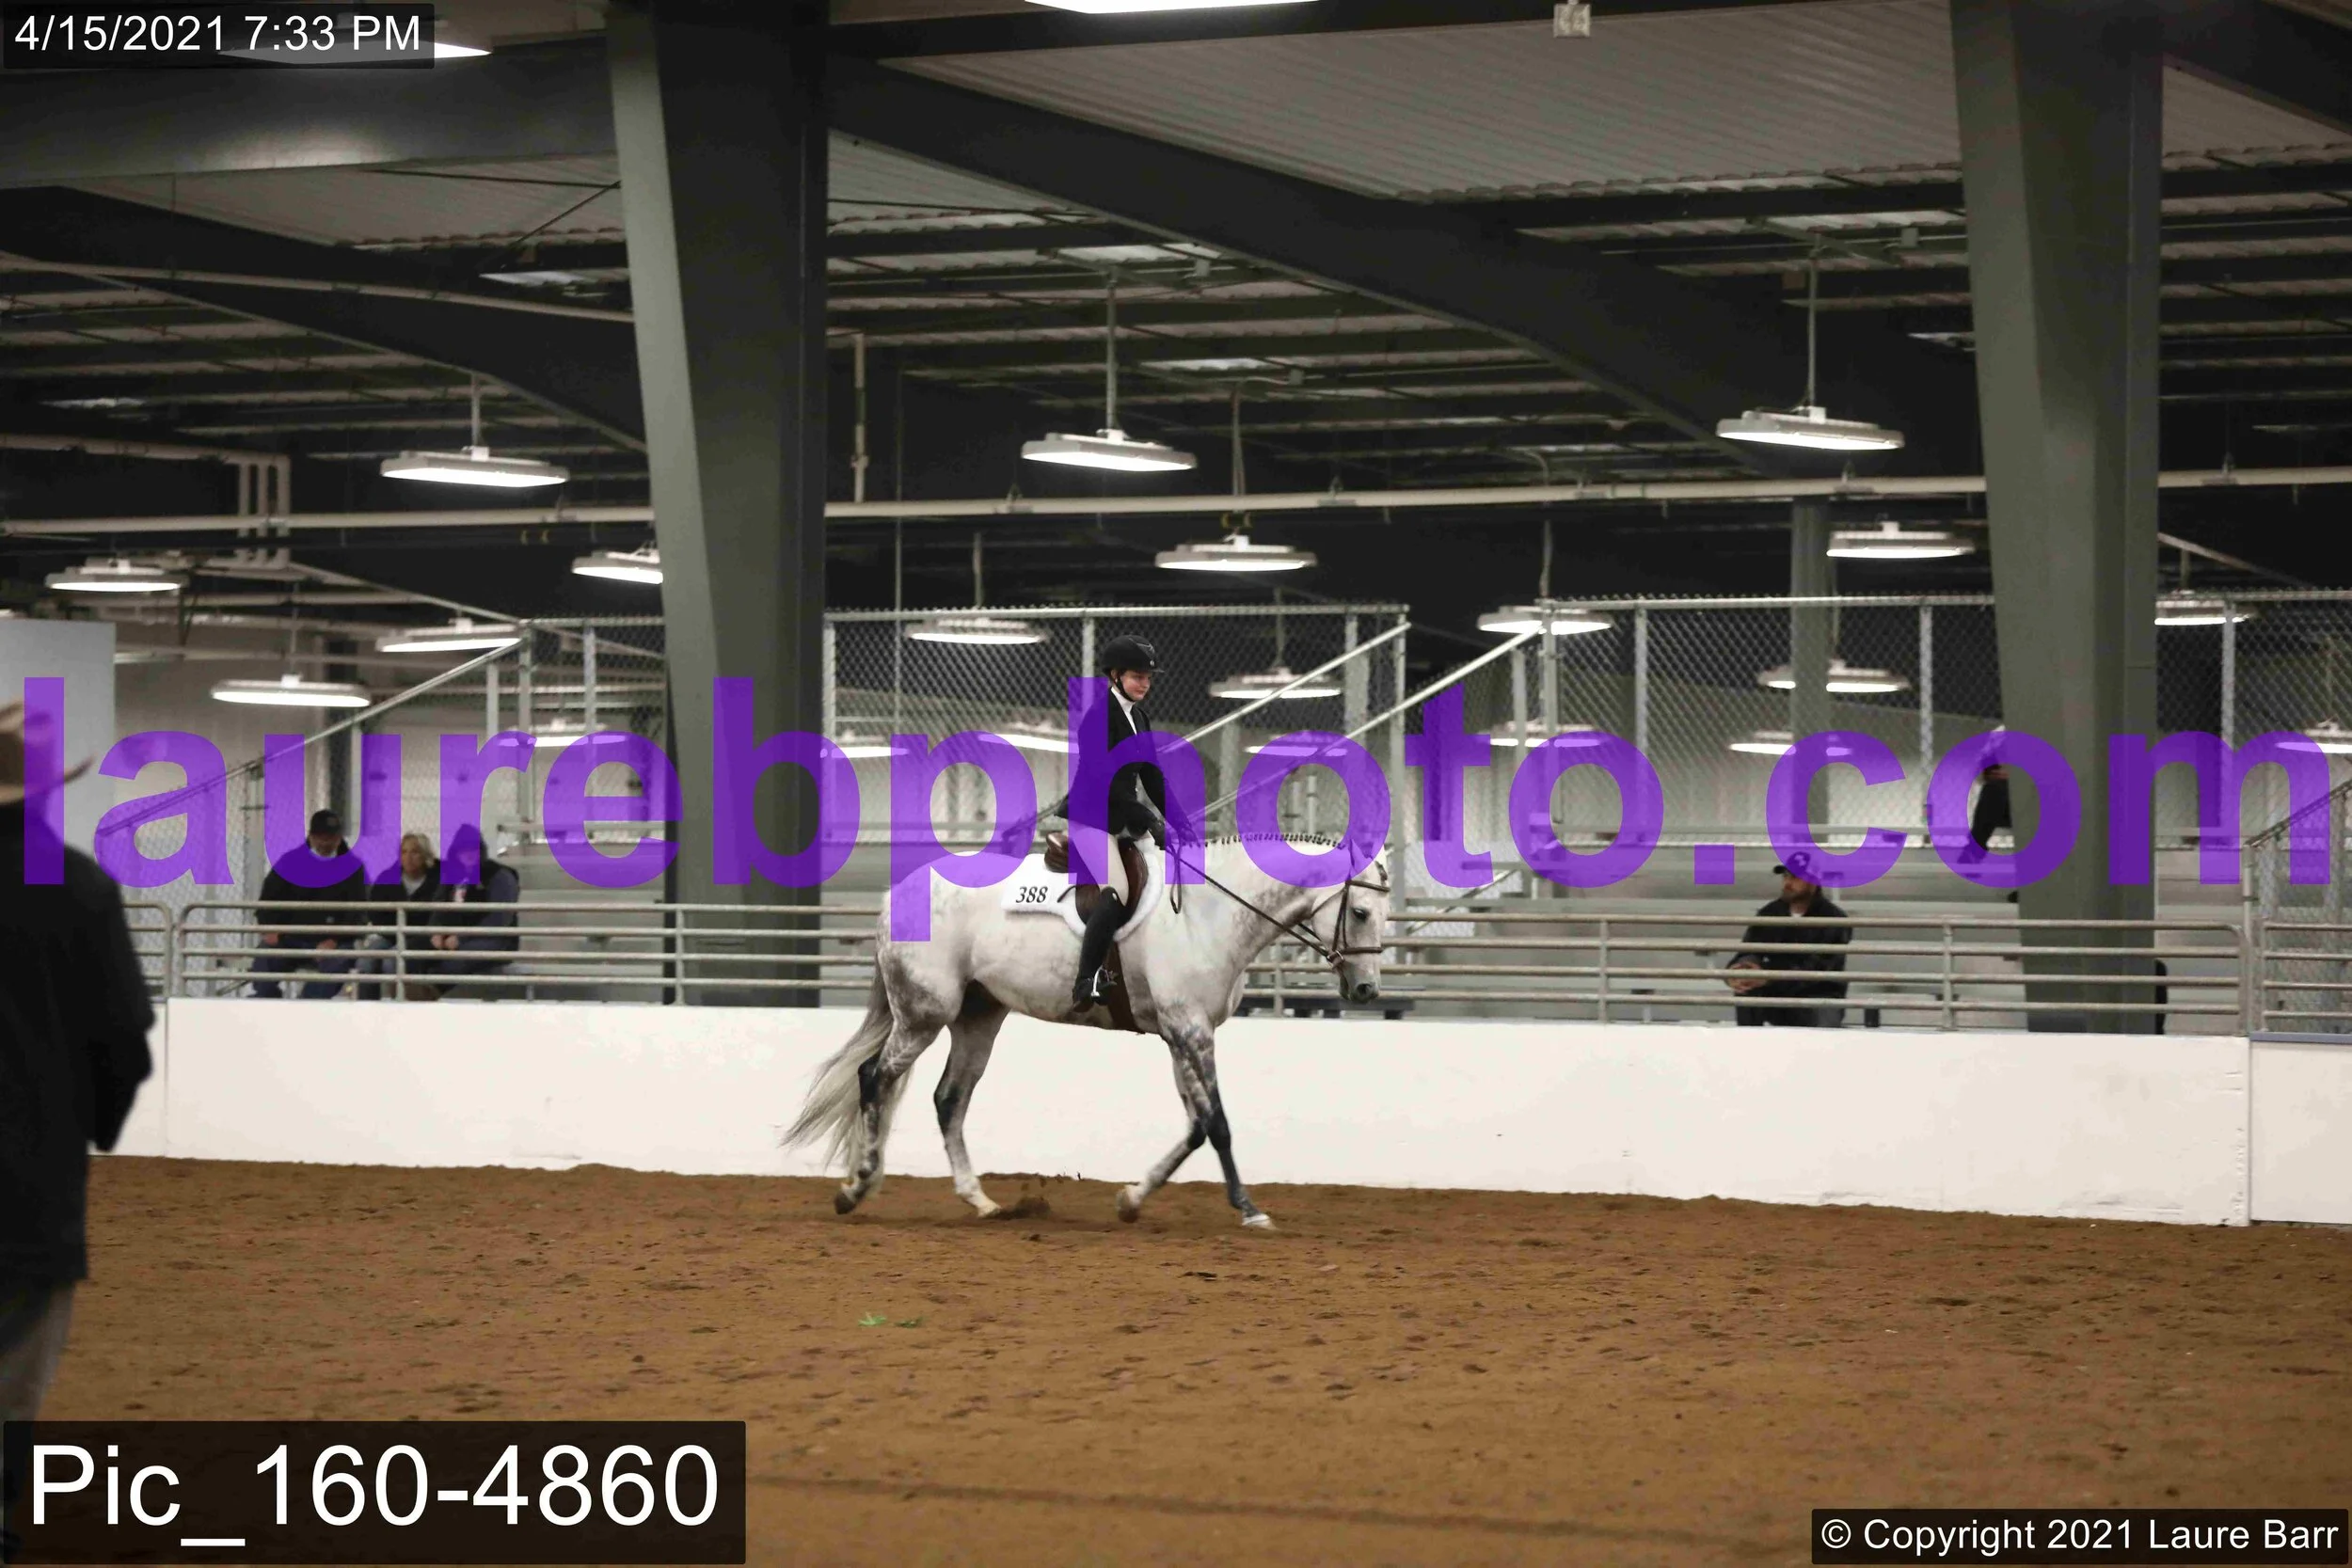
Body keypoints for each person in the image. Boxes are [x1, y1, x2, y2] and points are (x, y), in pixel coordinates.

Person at [0, 702, 153, 1426]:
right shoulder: (79, 888)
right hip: (32, 1192)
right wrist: (87, 1126)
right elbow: (123, 1044)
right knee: (14, 1393)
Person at [1064, 634, 1169, 1008]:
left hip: (1122, 819)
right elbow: (1106, 781)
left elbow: (1152, 775)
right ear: (1115, 675)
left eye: (1148, 677)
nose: (1145, 683)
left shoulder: (1139, 717)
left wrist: (1179, 821)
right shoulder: (1098, 717)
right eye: (1138, 676)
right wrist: (1149, 818)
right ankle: (1085, 981)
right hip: (1091, 818)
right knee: (1117, 892)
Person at [1724, 854, 1851, 1027]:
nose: (1787, 883)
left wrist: (1767, 976)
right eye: (1785, 876)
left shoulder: (1834, 918)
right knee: (1747, 987)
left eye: (1795, 878)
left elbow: (1816, 969)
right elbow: (1749, 950)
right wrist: (1739, 970)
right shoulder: (1770, 913)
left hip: (1818, 994)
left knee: (1824, 1008)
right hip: (1776, 991)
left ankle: (1823, 1044)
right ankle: (1749, 1041)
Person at [250, 808, 366, 999]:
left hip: (332, 942)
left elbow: (358, 913)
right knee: (265, 961)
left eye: (330, 838)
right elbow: (267, 901)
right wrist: (270, 928)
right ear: (311, 836)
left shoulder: (353, 868)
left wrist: (335, 939)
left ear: (339, 838)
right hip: (289, 938)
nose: (325, 843)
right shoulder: (290, 862)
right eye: (320, 837)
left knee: (338, 962)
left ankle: (305, 1006)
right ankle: (269, 1003)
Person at [416, 830, 520, 1001]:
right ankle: (411, 992)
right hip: (453, 937)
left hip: (495, 939)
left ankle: (430, 992)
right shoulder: (452, 875)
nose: (469, 854)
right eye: (463, 850)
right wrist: (436, 931)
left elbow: (499, 919)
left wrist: (462, 937)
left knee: (459, 957)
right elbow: (439, 908)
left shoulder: (499, 876)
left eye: (473, 849)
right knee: (414, 950)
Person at [358, 832, 444, 1001]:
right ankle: (367, 1008)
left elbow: (439, 915)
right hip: (391, 935)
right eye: (404, 852)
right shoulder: (387, 877)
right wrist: (395, 933)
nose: (408, 857)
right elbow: (375, 913)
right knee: (365, 961)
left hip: (424, 937)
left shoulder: (440, 878)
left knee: (392, 961)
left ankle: (400, 1008)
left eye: (415, 852)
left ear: (425, 854)